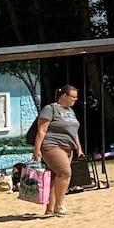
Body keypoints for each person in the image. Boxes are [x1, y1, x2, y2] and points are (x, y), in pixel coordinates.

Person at [31, 84, 82, 216]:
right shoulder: (50, 109)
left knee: (55, 177)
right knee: (65, 173)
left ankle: (50, 209)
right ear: (64, 96)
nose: (75, 99)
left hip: (68, 147)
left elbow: (73, 131)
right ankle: (59, 206)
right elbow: (41, 130)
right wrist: (37, 149)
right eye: (73, 97)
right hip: (52, 145)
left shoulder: (70, 111)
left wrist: (79, 148)